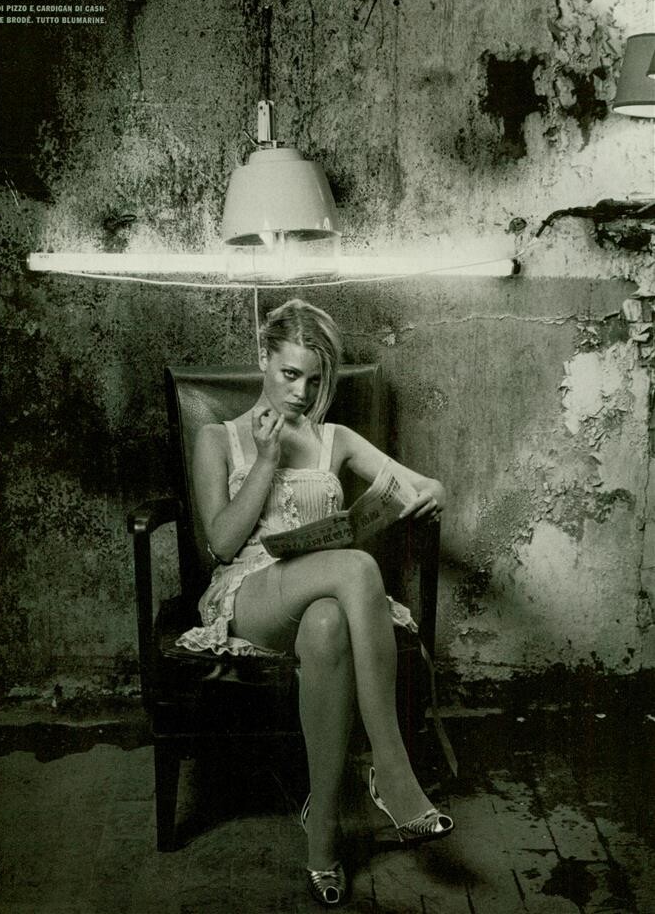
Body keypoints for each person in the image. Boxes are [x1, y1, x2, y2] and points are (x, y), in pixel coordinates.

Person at [174, 298, 453, 906]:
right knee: (359, 566)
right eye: (289, 374)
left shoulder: (335, 439)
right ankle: (392, 773)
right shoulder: (217, 438)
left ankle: (322, 835)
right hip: (251, 596)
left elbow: (422, 483)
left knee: (327, 624)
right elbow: (221, 543)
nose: (300, 393)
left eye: (314, 379)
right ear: (263, 359)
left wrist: (430, 493)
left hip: (323, 599)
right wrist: (266, 460)